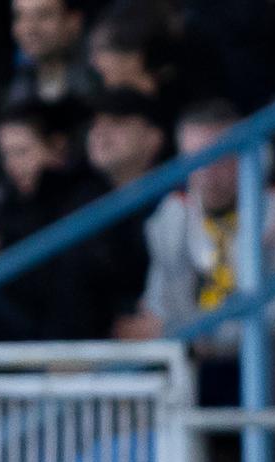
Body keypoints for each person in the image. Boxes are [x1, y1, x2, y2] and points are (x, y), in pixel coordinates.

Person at [125, 100, 275, 406]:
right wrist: (173, 335)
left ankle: (272, 456)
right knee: (146, 371)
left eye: (219, 159)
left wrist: (195, 339)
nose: (206, 173)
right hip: (219, 357)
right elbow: (159, 308)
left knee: (269, 360)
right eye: (194, 160)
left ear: (251, 157)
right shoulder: (173, 217)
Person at [0, 97, 113, 339]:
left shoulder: (86, 196)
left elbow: (78, 271)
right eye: (6, 154)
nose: (12, 164)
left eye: (22, 151)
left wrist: (2, 246)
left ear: (57, 146)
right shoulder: (6, 204)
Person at [86, 88, 170, 328]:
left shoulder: (176, 200)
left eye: (117, 122)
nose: (100, 133)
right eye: (96, 124)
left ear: (154, 138)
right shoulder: (79, 200)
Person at [6, 0, 98, 105]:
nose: (29, 29)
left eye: (43, 16)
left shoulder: (99, 82)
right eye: (20, 16)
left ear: (73, 21)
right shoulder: (13, 88)